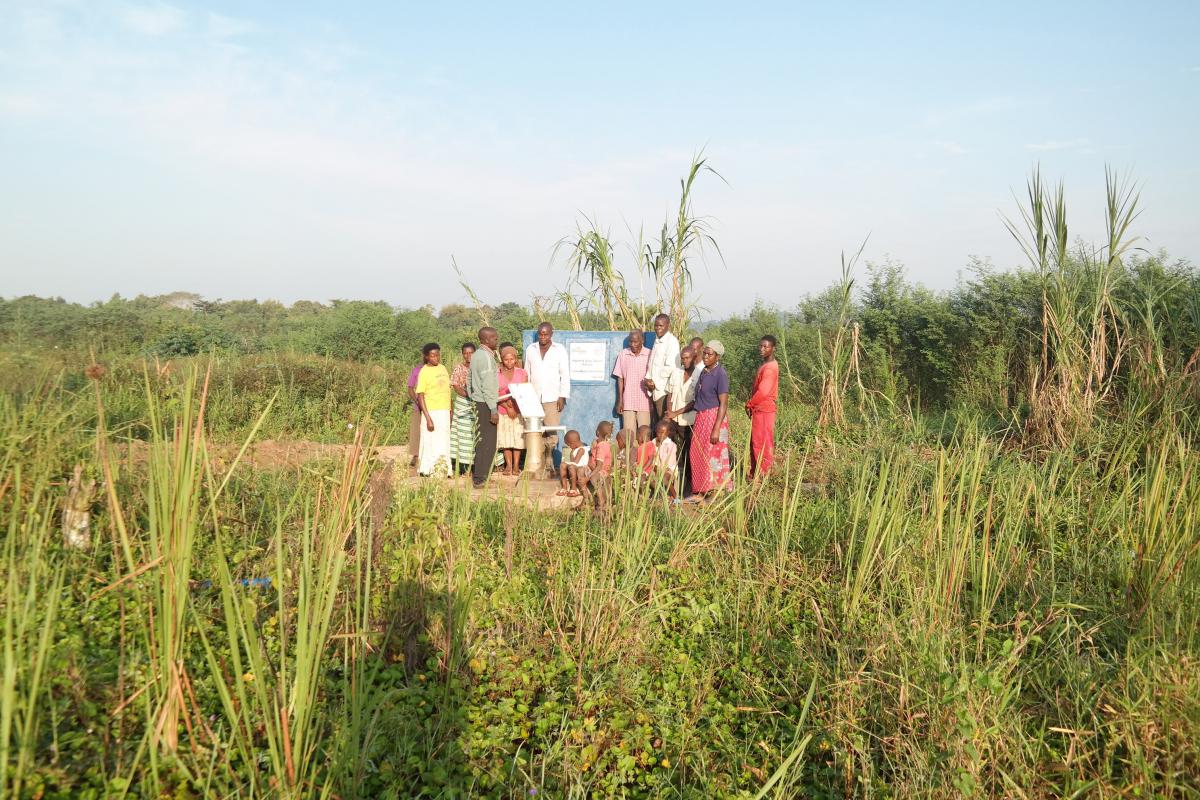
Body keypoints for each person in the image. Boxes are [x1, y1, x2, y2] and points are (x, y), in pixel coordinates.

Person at [687, 340, 732, 500]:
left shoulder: (720, 374)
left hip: (714, 417)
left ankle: (714, 491)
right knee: (696, 452)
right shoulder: (704, 371)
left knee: (711, 453)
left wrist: (716, 428)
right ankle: (700, 489)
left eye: (709, 354)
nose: (705, 356)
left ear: (717, 357)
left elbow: (724, 403)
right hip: (701, 416)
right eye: (704, 353)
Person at [524, 322, 571, 476]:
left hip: (553, 397)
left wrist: (562, 396)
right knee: (536, 430)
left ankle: (549, 461)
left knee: (551, 429)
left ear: (551, 334)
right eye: (540, 334)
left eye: (546, 334)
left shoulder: (559, 350)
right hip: (534, 397)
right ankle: (539, 463)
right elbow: (527, 373)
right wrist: (527, 396)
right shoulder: (531, 349)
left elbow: (565, 374)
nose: (543, 337)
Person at [664, 345, 701, 494]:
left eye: (687, 358)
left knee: (689, 452)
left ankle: (690, 484)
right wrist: (670, 412)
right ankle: (669, 484)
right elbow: (669, 394)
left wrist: (675, 413)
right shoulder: (676, 373)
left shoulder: (699, 375)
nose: (684, 361)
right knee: (670, 449)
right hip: (674, 419)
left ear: (694, 358)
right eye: (682, 358)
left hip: (689, 420)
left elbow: (695, 402)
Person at [468, 326, 501, 487]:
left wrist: (472, 396)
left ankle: (479, 475)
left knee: (480, 441)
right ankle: (480, 478)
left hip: (478, 402)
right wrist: (493, 409)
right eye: (495, 338)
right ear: (486, 340)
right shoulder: (487, 358)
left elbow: (469, 380)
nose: (497, 340)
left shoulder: (476, 355)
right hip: (486, 404)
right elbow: (488, 387)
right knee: (487, 442)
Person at [414, 343, 452, 477]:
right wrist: (428, 418)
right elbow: (420, 395)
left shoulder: (443, 368)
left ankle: (443, 470)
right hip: (431, 411)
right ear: (426, 357)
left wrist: (450, 411)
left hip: (444, 410)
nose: (436, 358)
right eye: (433, 356)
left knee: (443, 440)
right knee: (430, 440)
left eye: (438, 355)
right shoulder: (424, 372)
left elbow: (448, 391)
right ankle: (427, 469)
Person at [746, 335, 780, 478]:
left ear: (773, 348)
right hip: (760, 409)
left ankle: (763, 475)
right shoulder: (766, 365)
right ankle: (756, 473)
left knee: (762, 443)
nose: (762, 349)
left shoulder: (770, 368)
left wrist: (750, 404)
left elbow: (763, 391)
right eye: (761, 346)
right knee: (756, 442)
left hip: (764, 410)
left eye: (766, 346)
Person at [496, 343, 527, 477]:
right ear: (502, 359)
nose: (509, 362)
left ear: (515, 359)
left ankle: (516, 465)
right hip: (503, 410)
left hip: (518, 410)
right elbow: (494, 393)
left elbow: (524, 391)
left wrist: (514, 407)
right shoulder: (496, 374)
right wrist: (507, 407)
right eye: (506, 359)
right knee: (506, 439)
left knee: (517, 438)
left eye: (512, 359)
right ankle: (508, 465)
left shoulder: (522, 373)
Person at [643, 314, 680, 426]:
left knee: (664, 425)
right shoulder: (657, 340)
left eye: (661, 326)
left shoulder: (672, 342)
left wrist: (654, 382)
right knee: (657, 423)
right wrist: (648, 379)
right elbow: (652, 364)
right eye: (656, 325)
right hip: (654, 390)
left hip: (663, 390)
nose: (658, 328)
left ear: (668, 326)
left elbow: (671, 368)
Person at [612, 329, 651, 432]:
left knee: (644, 434)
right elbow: (620, 378)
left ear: (642, 340)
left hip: (645, 402)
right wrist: (620, 400)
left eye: (636, 342)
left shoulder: (649, 355)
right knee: (629, 435)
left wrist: (652, 403)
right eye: (630, 341)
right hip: (628, 402)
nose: (632, 344)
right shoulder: (623, 354)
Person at [449, 343, 478, 473]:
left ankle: (475, 464)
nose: (468, 355)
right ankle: (461, 464)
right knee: (462, 434)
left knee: (474, 433)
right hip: (463, 403)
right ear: (462, 354)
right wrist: (469, 395)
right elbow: (456, 386)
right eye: (465, 353)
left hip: (477, 403)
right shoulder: (458, 368)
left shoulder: (479, 367)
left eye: (471, 353)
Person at [582, 420, 614, 510]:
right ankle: (585, 499)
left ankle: (601, 500)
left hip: (602, 471)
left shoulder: (602, 446)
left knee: (593, 478)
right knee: (581, 470)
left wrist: (587, 478)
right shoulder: (598, 444)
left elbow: (599, 466)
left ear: (597, 432)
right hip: (596, 468)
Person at [652, 420, 679, 500]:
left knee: (664, 478)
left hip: (668, 470)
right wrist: (655, 467)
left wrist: (660, 470)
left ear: (668, 433)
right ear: (656, 431)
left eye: (663, 433)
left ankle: (675, 497)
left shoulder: (671, 445)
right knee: (650, 479)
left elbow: (670, 464)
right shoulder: (653, 442)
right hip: (655, 468)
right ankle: (663, 496)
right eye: (659, 432)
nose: (661, 435)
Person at [557, 430, 588, 498]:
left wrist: (572, 454)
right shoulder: (576, 449)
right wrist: (572, 453)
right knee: (562, 465)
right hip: (575, 468)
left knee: (571, 466)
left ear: (573, 443)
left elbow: (575, 462)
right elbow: (572, 461)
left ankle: (573, 488)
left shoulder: (581, 449)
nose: (569, 447)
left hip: (581, 469)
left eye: (569, 445)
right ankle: (564, 487)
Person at [406, 361, 423, 467]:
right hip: (419, 406)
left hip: (434, 405)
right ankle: (416, 455)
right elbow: (410, 387)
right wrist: (417, 402)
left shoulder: (437, 368)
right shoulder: (417, 370)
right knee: (416, 430)